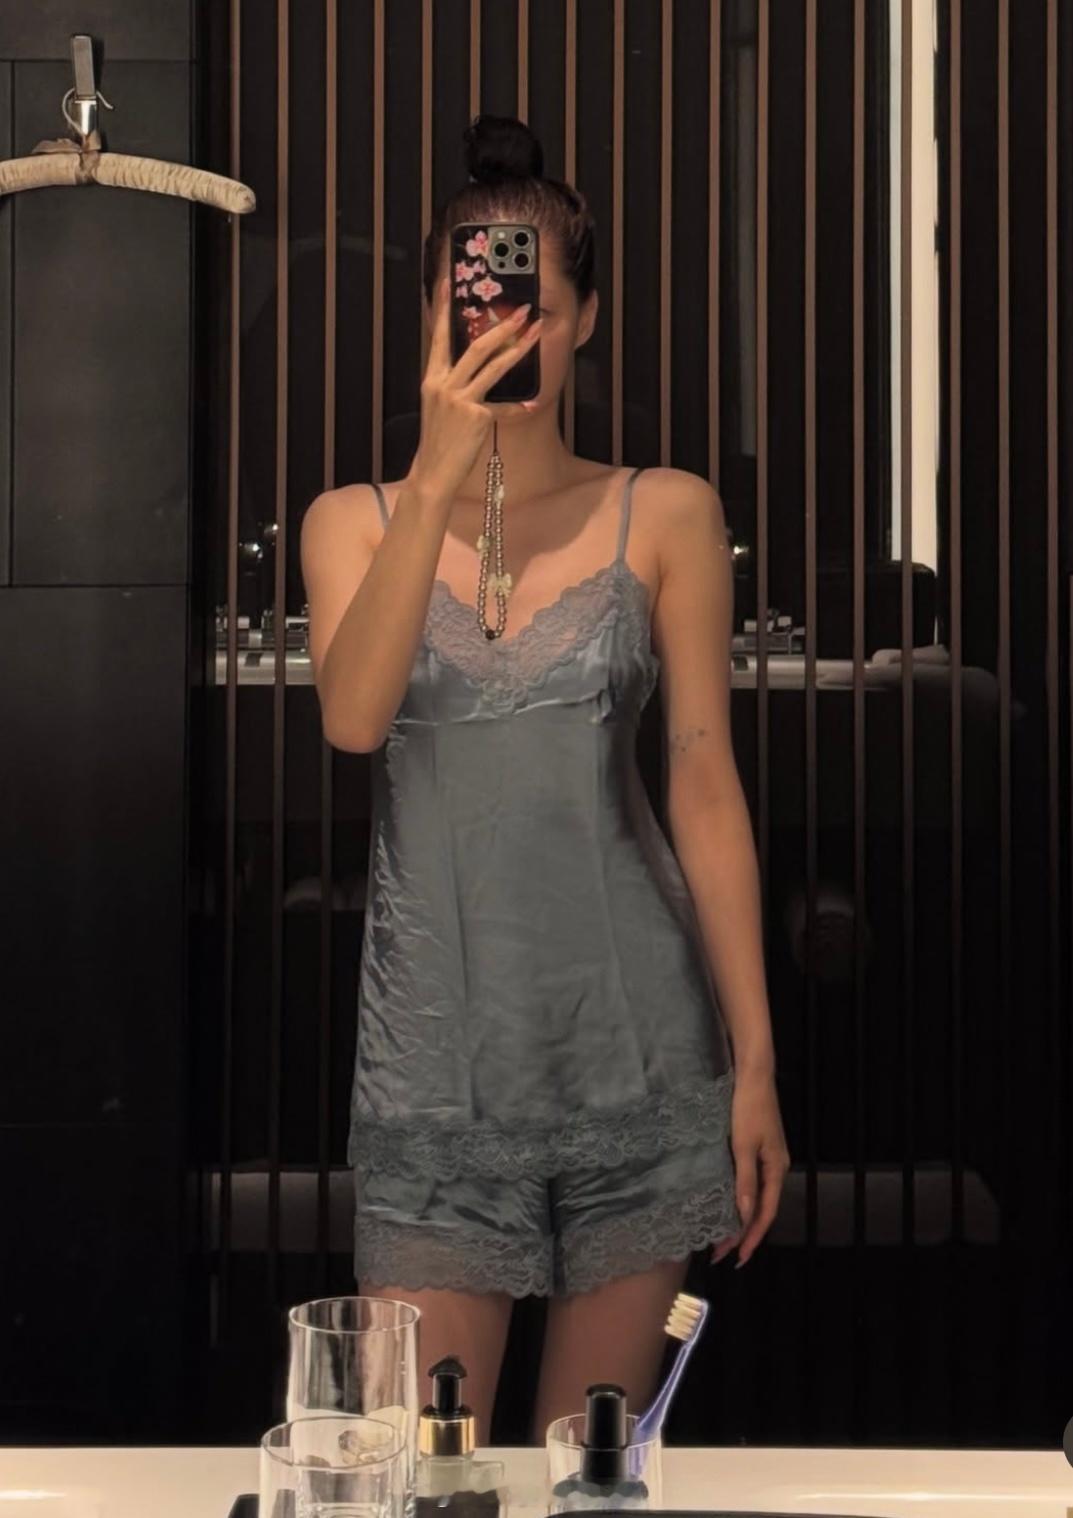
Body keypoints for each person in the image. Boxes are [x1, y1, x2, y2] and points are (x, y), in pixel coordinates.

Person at [300, 113, 789, 1446]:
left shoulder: (667, 510)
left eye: (535, 311)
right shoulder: (351, 522)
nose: (506, 337)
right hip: (434, 1069)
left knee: (594, 1476)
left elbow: (702, 783)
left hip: (638, 1051)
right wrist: (438, 471)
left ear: (582, 321)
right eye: (473, 311)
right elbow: (353, 719)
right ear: (432, 319)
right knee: (424, 1475)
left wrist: (754, 1063)